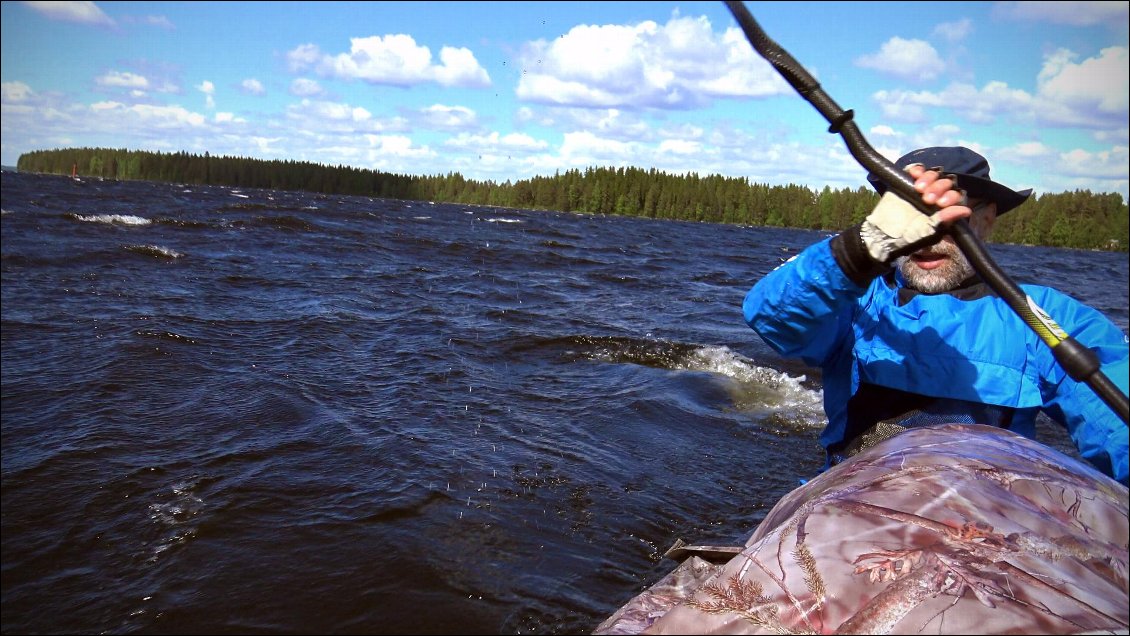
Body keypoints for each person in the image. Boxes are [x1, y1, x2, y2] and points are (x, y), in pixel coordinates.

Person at [743, 146, 1129, 485]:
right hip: (852, 507)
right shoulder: (855, 300)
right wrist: (863, 247)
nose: (925, 237)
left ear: (986, 218)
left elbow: (1117, 424)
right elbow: (771, 317)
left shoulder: (1043, 316)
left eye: (946, 217)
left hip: (984, 525)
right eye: (911, 216)